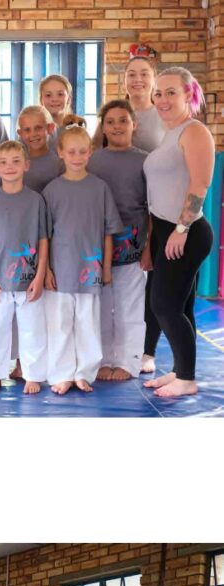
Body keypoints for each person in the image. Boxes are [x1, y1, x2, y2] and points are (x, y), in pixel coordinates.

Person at [142, 67, 215, 398]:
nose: (162, 99)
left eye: (171, 92)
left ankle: (187, 378)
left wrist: (182, 227)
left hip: (186, 230)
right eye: (158, 93)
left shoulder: (194, 131)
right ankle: (180, 369)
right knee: (180, 306)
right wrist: (155, 239)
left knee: (164, 305)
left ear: (188, 94)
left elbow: (200, 183)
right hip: (165, 230)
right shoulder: (169, 134)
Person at [43, 116, 122, 394]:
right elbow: (45, 236)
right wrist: (47, 270)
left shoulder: (100, 188)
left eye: (82, 151)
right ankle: (62, 373)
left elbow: (109, 231)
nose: (77, 157)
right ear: (60, 153)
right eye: (71, 152)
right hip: (61, 270)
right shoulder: (52, 190)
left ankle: (84, 372)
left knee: (88, 323)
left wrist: (107, 268)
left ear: (90, 152)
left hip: (91, 270)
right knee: (60, 324)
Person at [0, 141, 48, 395]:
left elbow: (43, 240)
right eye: (4, 162)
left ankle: (33, 374)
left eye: (16, 161)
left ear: (26, 165)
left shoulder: (36, 201)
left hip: (28, 279)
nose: (10, 167)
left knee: (33, 330)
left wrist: (40, 275)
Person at [89, 100, 148, 381]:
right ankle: (102, 359)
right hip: (97, 248)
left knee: (129, 307)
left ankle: (128, 361)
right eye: (110, 122)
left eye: (123, 120)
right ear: (102, 128)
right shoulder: (93, 161)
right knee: (100, 308)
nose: (116, 127)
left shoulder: (145, 161)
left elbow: (152, 208)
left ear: (134, 124)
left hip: (133, 246)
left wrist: (148, 248)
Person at [16, 105, 63, 193]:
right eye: (27, 130)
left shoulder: (59, 164)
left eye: (38, 128)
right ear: (20, 133)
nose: (33, 134)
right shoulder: (15, 163)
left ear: (50, 128)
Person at [38, 74, 73, 144]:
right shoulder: (31, 131)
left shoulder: (77, 131)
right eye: (48, 95)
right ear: (41, 100)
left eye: (60, 94)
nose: (54, 99)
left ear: (69, 99)